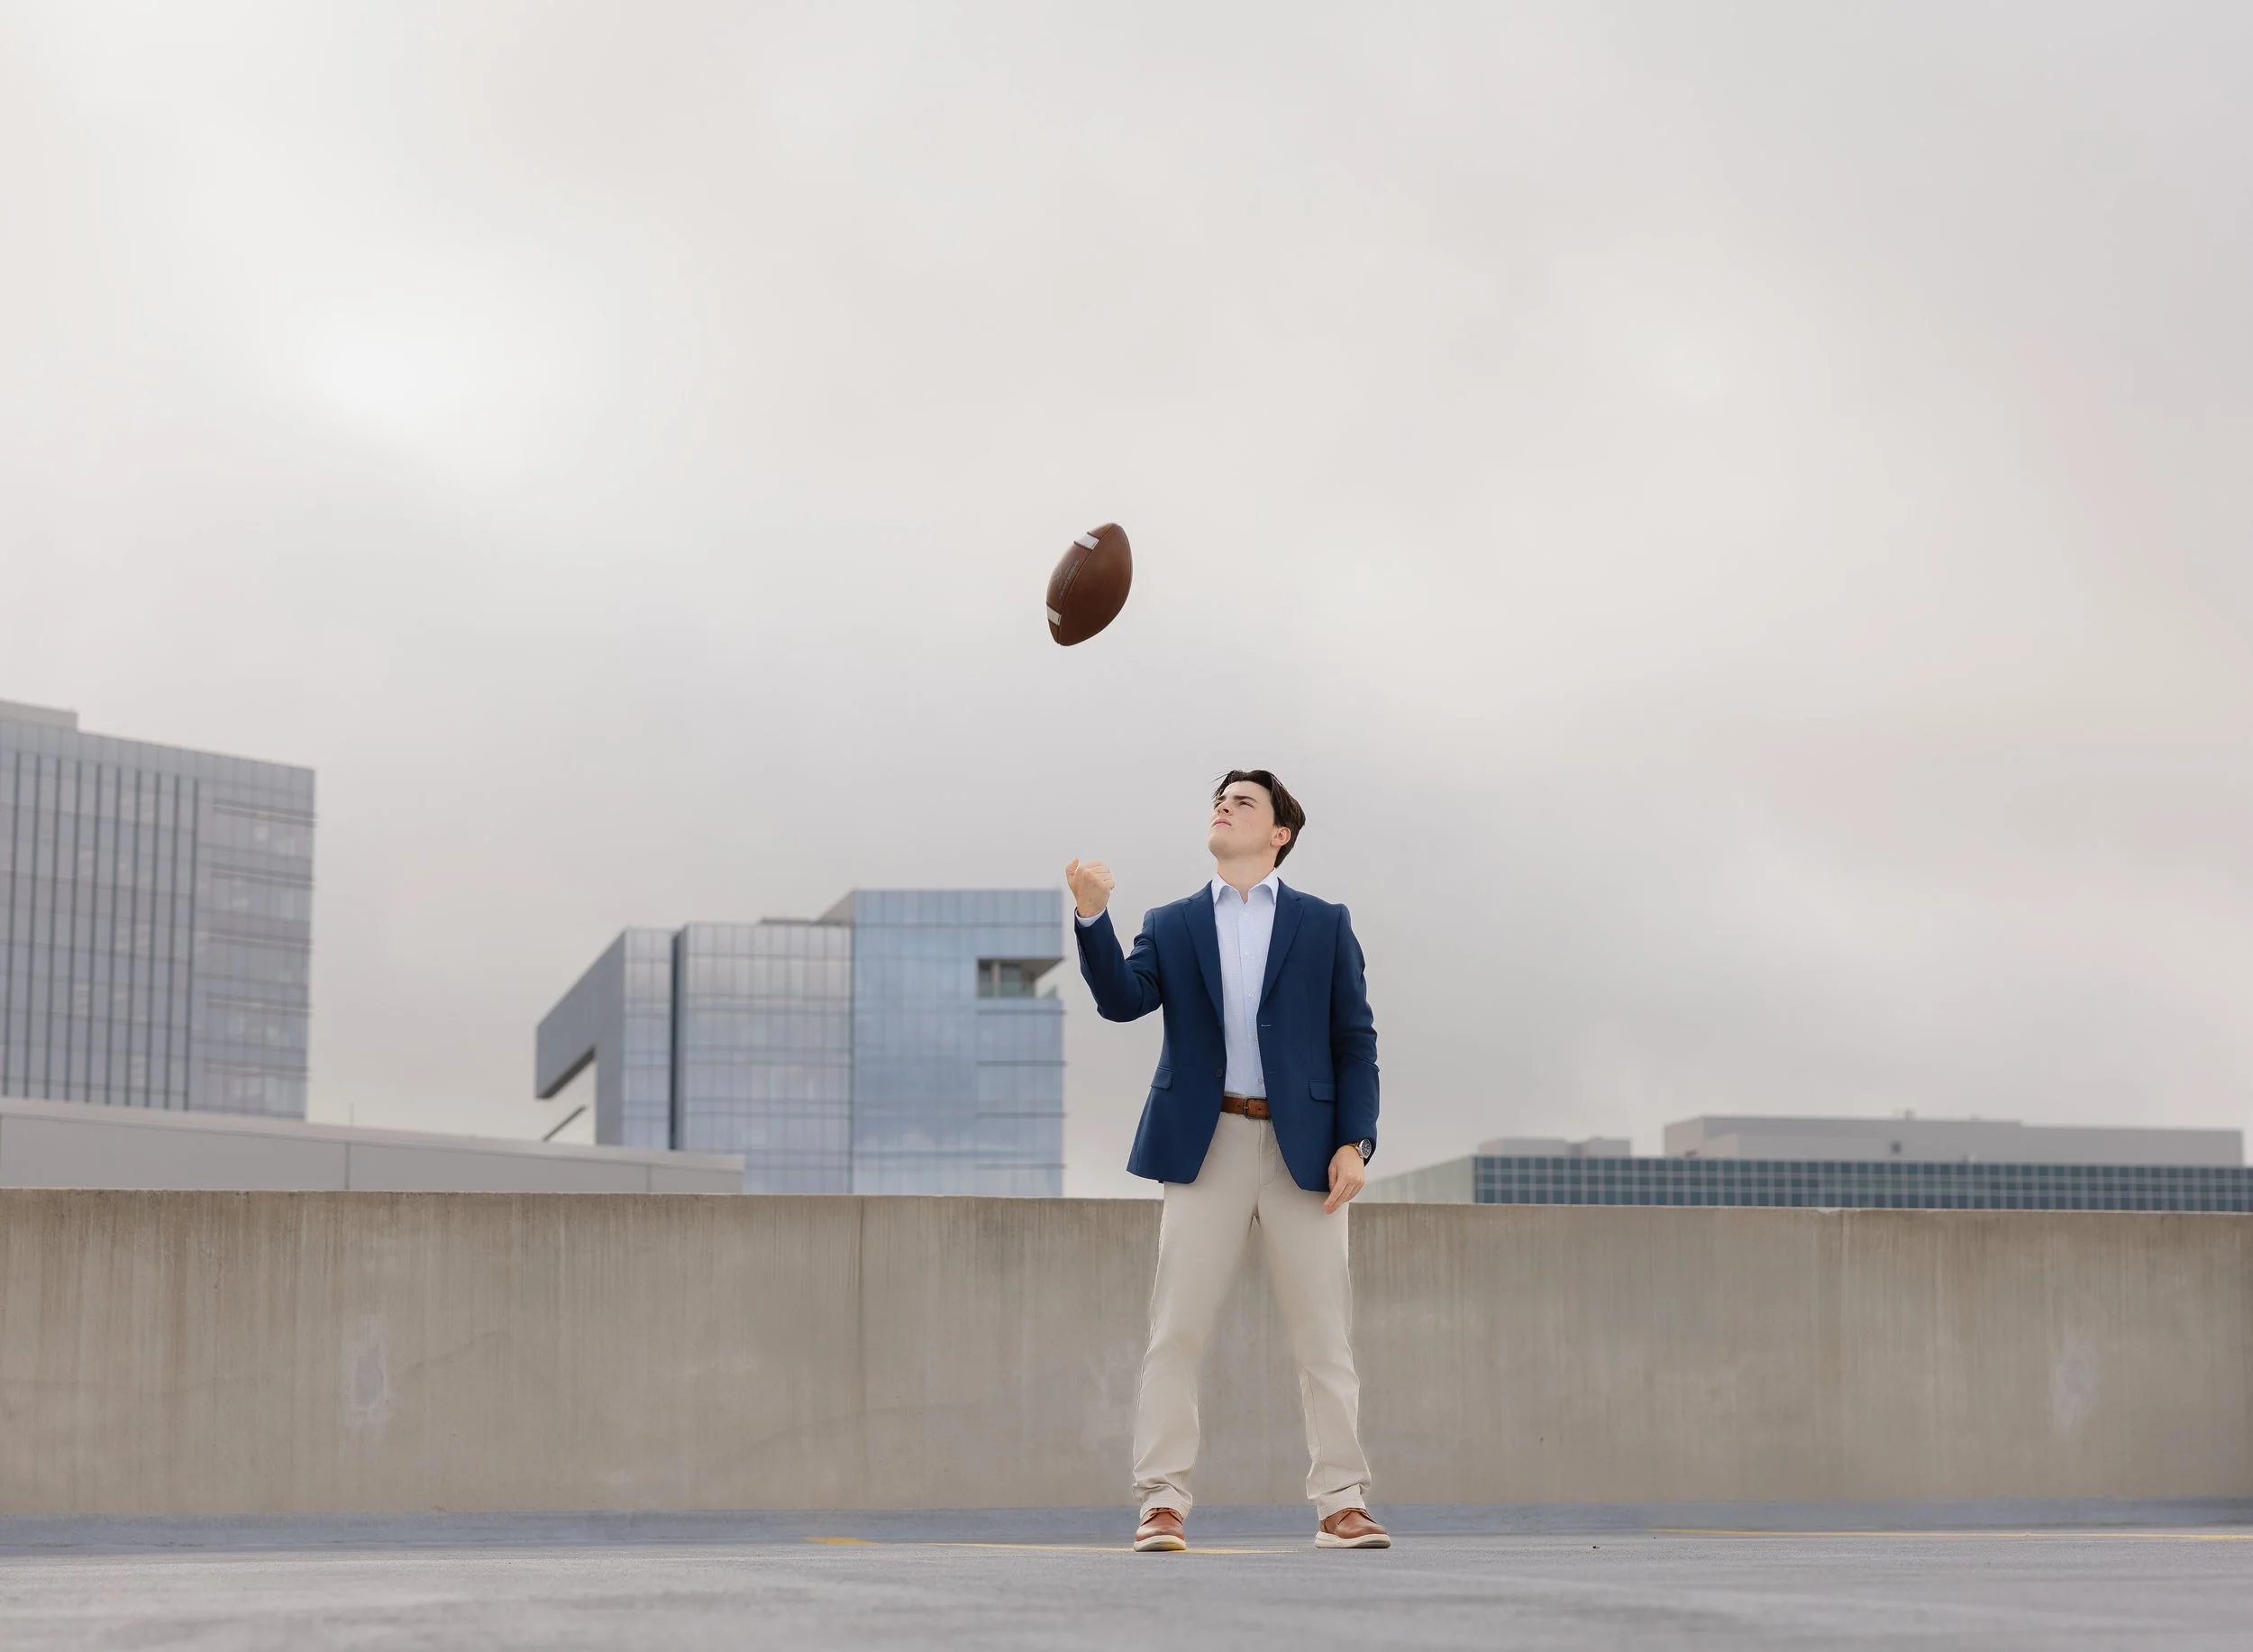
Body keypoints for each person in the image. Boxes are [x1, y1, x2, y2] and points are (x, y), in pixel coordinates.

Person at [1067, 769, 1389, 1553]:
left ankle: (1342, 1501)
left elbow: (1356, 1041)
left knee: (1324, 1338)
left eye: (1244, 801)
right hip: (1204, 1145)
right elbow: (1121, 998)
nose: (1225, 806)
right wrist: (1091, 913)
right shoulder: (1172, 923)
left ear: (1279, 831)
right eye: (1220, 799)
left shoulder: (1324, 922)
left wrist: (1358, 1141)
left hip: (1304, 1153)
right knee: (1175, 1333)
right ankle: (1162, 1503)